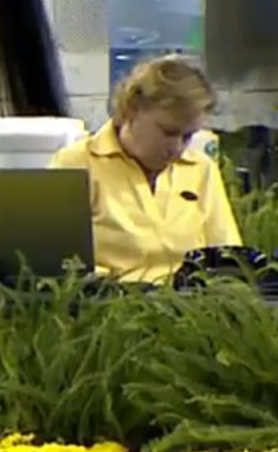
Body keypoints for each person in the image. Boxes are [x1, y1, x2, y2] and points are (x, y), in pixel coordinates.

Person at [49, 57, 240, 283]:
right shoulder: (78, 164)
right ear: (132, 109)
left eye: (188, 137)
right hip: (109, 306)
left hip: (191, 306)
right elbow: (56, 265)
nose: (177, 148)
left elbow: (228, 258)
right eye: (168, 132)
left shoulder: (200, 169)